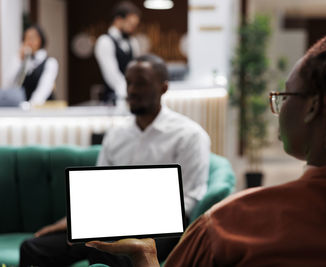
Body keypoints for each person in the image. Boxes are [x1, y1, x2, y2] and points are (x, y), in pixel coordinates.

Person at [86, 34, 326, 266]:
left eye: (285, 94)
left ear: (313, 107)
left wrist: (146, 255)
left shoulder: (233, 223)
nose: (277, 105)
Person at [19, 54, 210, 266]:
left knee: (108, 252)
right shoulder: (116, 134)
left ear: (164, 88)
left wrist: (130, 217)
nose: (132, 90)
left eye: (141, 83)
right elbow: (98, 192)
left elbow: (191, 200)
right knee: (33, 247)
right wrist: (73, 221)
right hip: (108, 223)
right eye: (129, 82)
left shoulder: (190, 135)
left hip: (160, 229)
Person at [94, 1, 142, 105]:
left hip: (132, 97)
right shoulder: (104, 41)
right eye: (130, 24)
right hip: (113, 99)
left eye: (135, 25)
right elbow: (112, 75)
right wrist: (128, 93)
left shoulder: (133, 42)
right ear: (118, 20)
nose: (133, 28)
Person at [4, 25, 58, 106]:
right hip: (23, 109)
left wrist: (31, 106)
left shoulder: (50, 62)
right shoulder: (22, 61)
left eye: (33, 38)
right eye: (26, 38)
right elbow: (8, 85)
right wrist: (19, 60)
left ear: (41, 40)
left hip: (43, 108)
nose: (29, 42)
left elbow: (44, 89)